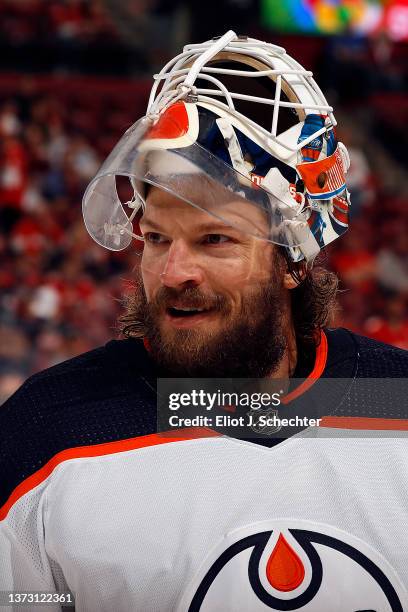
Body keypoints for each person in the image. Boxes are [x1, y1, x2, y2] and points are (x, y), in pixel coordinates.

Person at [1, 31, 408, 611]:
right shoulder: (44, 433)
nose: (173, 272)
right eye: (158, 238)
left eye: (214, 239)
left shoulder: (398, 402)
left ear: (292, 261)